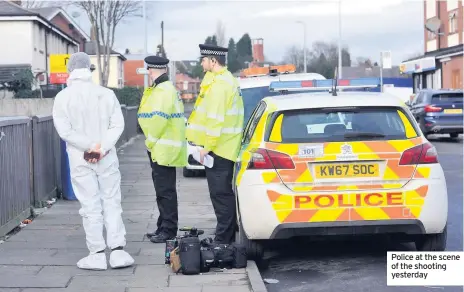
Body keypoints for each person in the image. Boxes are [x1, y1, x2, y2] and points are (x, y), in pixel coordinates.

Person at [52, 52, 134, 270]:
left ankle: (96, 254)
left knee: (90, 205)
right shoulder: (106, 94)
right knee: (111, 201)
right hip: (106, 157)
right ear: (89, 69)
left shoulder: (63, 97)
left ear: (71, 70)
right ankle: (117, 251)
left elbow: (65, 130)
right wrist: (102, 147)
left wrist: (88, 146)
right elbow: (117, 125)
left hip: (80, 158)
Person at [186, 44, 244, 244]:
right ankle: (225, 234)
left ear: (213, 61)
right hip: (224, 147)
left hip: (219, 149)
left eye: (204, 59)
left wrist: (206, 147)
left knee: (220, 195)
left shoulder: (220, 86)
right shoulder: (223, 80)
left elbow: (215, 119)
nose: (201, 63)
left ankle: (224, 239)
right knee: (222, 194)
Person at [138, 55, 187, 243]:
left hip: (162, 147)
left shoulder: (163, 90)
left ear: (153, 69)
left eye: (149, 70)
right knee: (162, 190)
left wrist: (149, 141)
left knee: (165, 191)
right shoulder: (162, 88)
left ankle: (168, 230)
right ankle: (162, 226)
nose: (148, 73)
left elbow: (158, 119)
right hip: (161, 147)